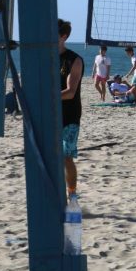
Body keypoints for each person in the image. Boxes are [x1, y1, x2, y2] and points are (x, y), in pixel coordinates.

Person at [58, 19, 84, 198]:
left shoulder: (74, 60)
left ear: (63, 36)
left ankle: (72, 194)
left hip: (69, 115)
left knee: (65, 157)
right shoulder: (43, 58)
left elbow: (71, 92)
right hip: (49, 114)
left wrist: (46, 98)